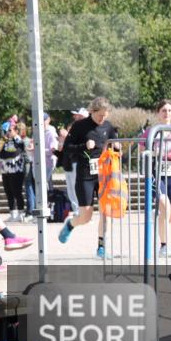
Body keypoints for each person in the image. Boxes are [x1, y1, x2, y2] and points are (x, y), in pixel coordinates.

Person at [58, 97, 120, 259]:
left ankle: (101, 246)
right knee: (86, 216)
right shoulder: (79, 126)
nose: (102, 119)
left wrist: (117, 147)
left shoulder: (108, 126)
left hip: (104, 175)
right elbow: (67, 149)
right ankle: (71, 224)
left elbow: (114, 143)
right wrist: (84, 146)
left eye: (105, 116)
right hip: (85, 175)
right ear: (92, 111)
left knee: (105, 212)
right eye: (100, 116)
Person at [142, 100, 171, 258]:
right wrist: (156, 154)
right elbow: (142, 149)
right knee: (165, 207)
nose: (166, 113)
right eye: (163, 110)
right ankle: (164, 245)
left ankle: (167, 240)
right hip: (156, 173)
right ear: (158, 113)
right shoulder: (152, 131)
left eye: (169, 110)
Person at [0, 121, 27, 222]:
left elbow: (15, 153)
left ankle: (21, 213)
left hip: (16, 170)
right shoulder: (6, 141)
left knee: (17, 192)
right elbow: (1, 154)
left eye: (10, 130)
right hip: (6, 170)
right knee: (8, 192)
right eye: (7, 130)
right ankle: (12, 213)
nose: (7, 132)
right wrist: (7, 153)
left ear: (16, 131)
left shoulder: (18, 141)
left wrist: (7, 154)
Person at [60, 107, 88, 216]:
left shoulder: (86, 127)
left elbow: (81, 143)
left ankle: (82, 210)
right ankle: (76, 210)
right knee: (71, 187)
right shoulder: (76, 127)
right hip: (69, 161)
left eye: (78, 115)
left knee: (79, 187)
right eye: (75, 115)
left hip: (79, 160)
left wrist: (67, 136)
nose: (75, 117)